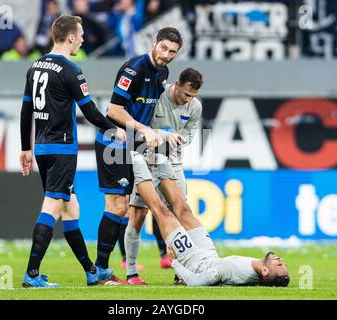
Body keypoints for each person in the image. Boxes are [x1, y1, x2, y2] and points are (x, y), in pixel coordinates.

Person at [20, 14, 126, 288]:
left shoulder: (35, 66)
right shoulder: (71, 69)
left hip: (42, 148)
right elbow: (89, 110)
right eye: (79, 35)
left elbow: (26, 110)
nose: (81, 39)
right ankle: (31, 274)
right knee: (53, 206)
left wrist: (25, 148)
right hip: (62, 148)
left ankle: (92, 271)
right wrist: (113, 129)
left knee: (70, 208)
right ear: (69, 37)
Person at [93, 27, 183, 285]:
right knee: (118, 207)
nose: (166, 55)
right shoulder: (133, 69)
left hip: (135, 145)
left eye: (173, 52)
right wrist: (145, 130)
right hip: (114, 142)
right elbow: (114, 110)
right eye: (164, 48)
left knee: (133, 209)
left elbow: (150, 112)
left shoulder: (162, 72)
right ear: (154, 43)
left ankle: (116, 271)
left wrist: (163, 133)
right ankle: (100, 271)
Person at [130, 151, 290, 287]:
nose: (281, 259)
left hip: (195, 262)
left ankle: (135, 158)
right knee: (184, 210)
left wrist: (175, 262)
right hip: (209, 254)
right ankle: (158, 157)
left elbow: (196, 282)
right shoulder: (256, 270)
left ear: (265, 271)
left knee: (161, 211)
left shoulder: (234, 272)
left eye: (280, 264)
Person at [125, 67, 204, 284]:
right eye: (186, 94)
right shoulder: (156, 97)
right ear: (177, 84)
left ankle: (183, 273)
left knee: (182, 213)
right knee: (138, 216)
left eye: (193, 96)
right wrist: (163, 135)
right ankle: (131, 272)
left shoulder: (195, 106)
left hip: (174, 163)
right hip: (147, 160)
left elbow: (189, 134)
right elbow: (141, 125)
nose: (188, 99)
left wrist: (179, 138)